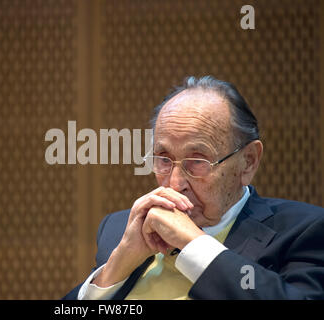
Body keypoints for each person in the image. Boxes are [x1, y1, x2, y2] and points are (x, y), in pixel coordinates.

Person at [63, 76, 324, 300]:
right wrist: (112, 272)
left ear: (248, 162)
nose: (175, 183)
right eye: (164, 159)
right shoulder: (119, 228)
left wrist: (193, 244)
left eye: (197, 161)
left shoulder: (302, 230)